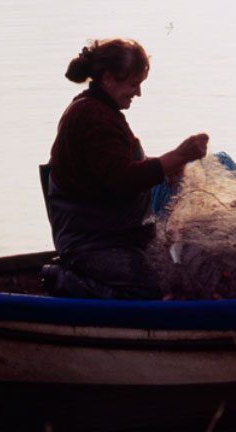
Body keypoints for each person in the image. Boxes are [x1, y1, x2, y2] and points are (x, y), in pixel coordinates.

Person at [44, 38, 209, 298]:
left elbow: (111, 167)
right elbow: (122, 179)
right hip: (90, 240)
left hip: (116, 230)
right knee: (146, 291)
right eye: (134, 84)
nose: (138, 93)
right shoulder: (93, 117)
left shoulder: (99, 110)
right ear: (108, 79)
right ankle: (62, 279)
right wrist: (178, 156)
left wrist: (169, 166)